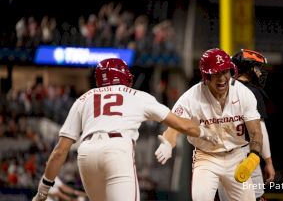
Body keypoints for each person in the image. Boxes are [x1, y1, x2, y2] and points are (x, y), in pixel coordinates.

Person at [32, 58, 217, 201]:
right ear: (125, 78)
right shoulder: (138, 96)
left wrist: (43, 189)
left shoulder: (84, 98)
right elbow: (182, 124)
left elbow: (60, 150)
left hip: (86, 155)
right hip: (116, 150)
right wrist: (205, 133)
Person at [155, 48, 263, 201]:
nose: (222, 78)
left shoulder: (243, 93)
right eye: (216, 73)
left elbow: (256, 132)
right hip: (207, 157)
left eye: (225, 72)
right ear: (206, 75)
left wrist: (254, 156)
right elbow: (175, 126)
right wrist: (168, 142)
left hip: (237, 156)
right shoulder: (191, 97)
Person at [218, 49, 276, 201]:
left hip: (219, 158)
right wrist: (268, 162)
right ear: (249, 68)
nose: (260, 72)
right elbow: (260, 131)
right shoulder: (252, 92)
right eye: (258, 67)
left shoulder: (222, 90)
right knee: (257, 198)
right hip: (245, 157)